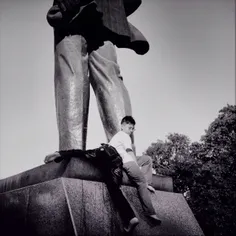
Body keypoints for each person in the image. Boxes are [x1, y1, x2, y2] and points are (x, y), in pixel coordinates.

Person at [46, 0, 150, 152]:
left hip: (70, 12)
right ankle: (124, 151)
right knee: (109, 77)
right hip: (107, 10)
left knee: (70, 72)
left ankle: (71, 149)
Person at [109, 116, 162, 224]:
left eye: (133, 129)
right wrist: (137, 167)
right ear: (122, 126)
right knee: (141, 182)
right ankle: (150, 212)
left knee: (147, 159)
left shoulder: (117, 136)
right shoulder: (124, 136)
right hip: (126, 161)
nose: (131, 131)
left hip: (119, 159)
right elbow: (129, 152)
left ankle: (148, 182)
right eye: (130, 128)